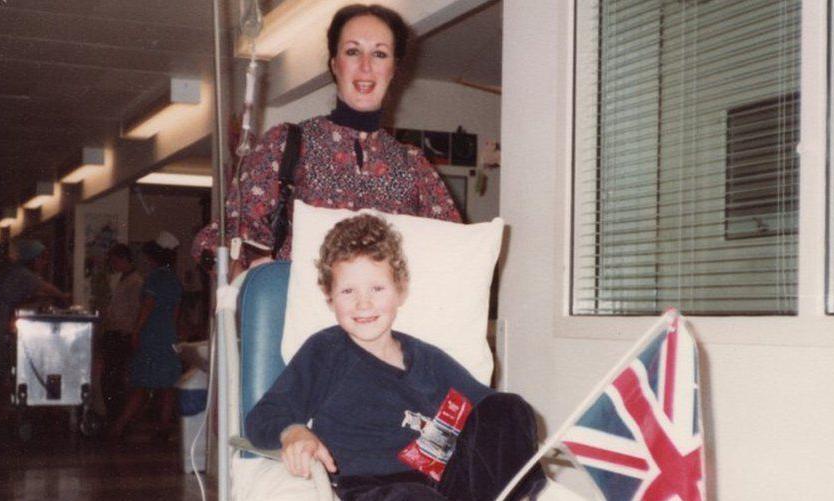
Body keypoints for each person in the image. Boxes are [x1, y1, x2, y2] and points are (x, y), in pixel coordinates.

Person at [245, 215, 546, 500]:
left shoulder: (427, 359)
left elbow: (488, 412)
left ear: (399, 291)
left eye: (377, 288)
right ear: (329, 296)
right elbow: (264, 417)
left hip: (444, 484)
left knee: (509, 408)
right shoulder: (326, 351)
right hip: (373, 489)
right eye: (348, 290)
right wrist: (294, 432)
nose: (364, 303)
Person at [192, 4, 461, 270]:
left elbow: (456, 250)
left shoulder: (413, 166)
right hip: (302, 308)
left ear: (394, 69)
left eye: (380, 54)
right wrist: (250, 270)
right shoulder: (287, 144)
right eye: (352, 51)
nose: (366, 66)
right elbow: (221, 238)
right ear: (334, 63)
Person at [0, 239, 69, 434]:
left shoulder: (9, 274)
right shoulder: (22, 274)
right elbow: (45, 287)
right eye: (42, 259)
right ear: (32, 259)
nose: (44, 263)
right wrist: (63, 296)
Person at [108, 232, 183, 440]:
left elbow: (147, 306)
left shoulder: (154, 278)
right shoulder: (174, 280)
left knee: (141, 384)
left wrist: (136, 331)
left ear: (153, 257)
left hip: (151, 336)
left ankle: (118, 427)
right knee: (168, 386)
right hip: (168, 337)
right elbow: (176, 312)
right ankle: (163, 427)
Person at [98, 243, 144, 420]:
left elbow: (135, 310)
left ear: (124, 259)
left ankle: (117, 415)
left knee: (115, 377)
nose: (113, 264)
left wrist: (133, 332)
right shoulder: (121, 279)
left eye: (115, 260)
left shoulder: (135, 282)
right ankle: (113, 413)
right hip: (114, 331)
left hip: (123, 333)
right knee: (110, 376)